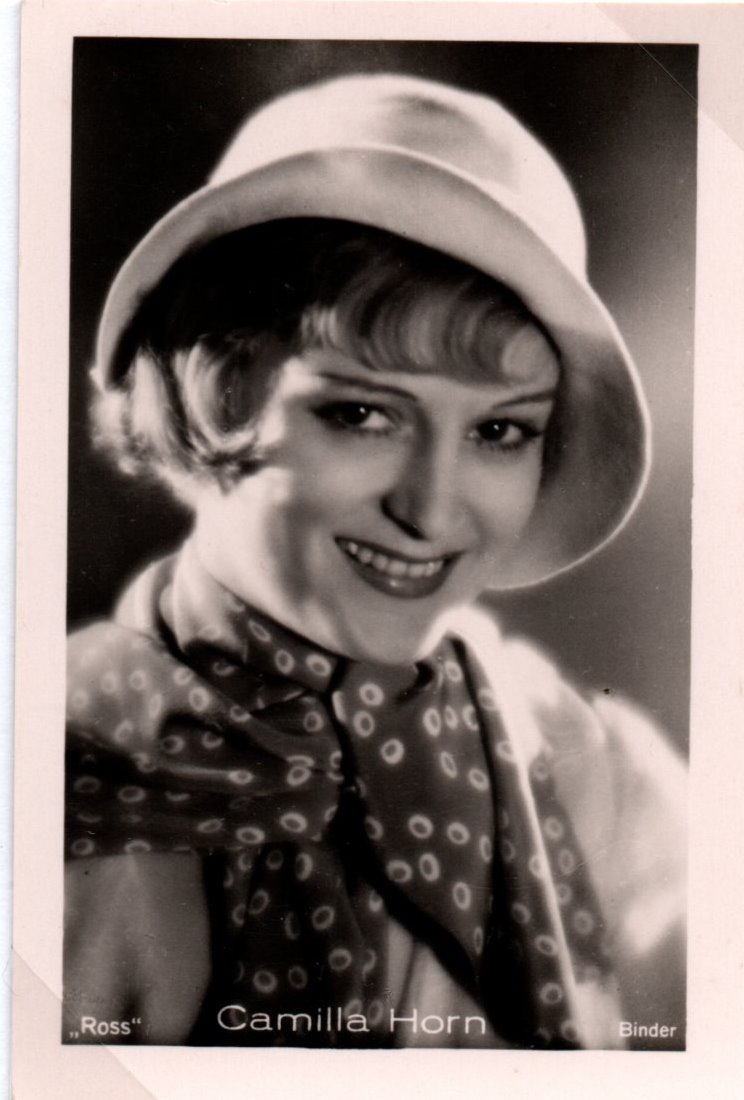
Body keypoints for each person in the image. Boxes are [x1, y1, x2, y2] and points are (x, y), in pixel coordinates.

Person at [64, 73, 686, 1049]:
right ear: (214, 387)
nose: (431, 510)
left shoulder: (599, 779)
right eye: (360, 413)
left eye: (501, 431)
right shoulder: (53, 765)